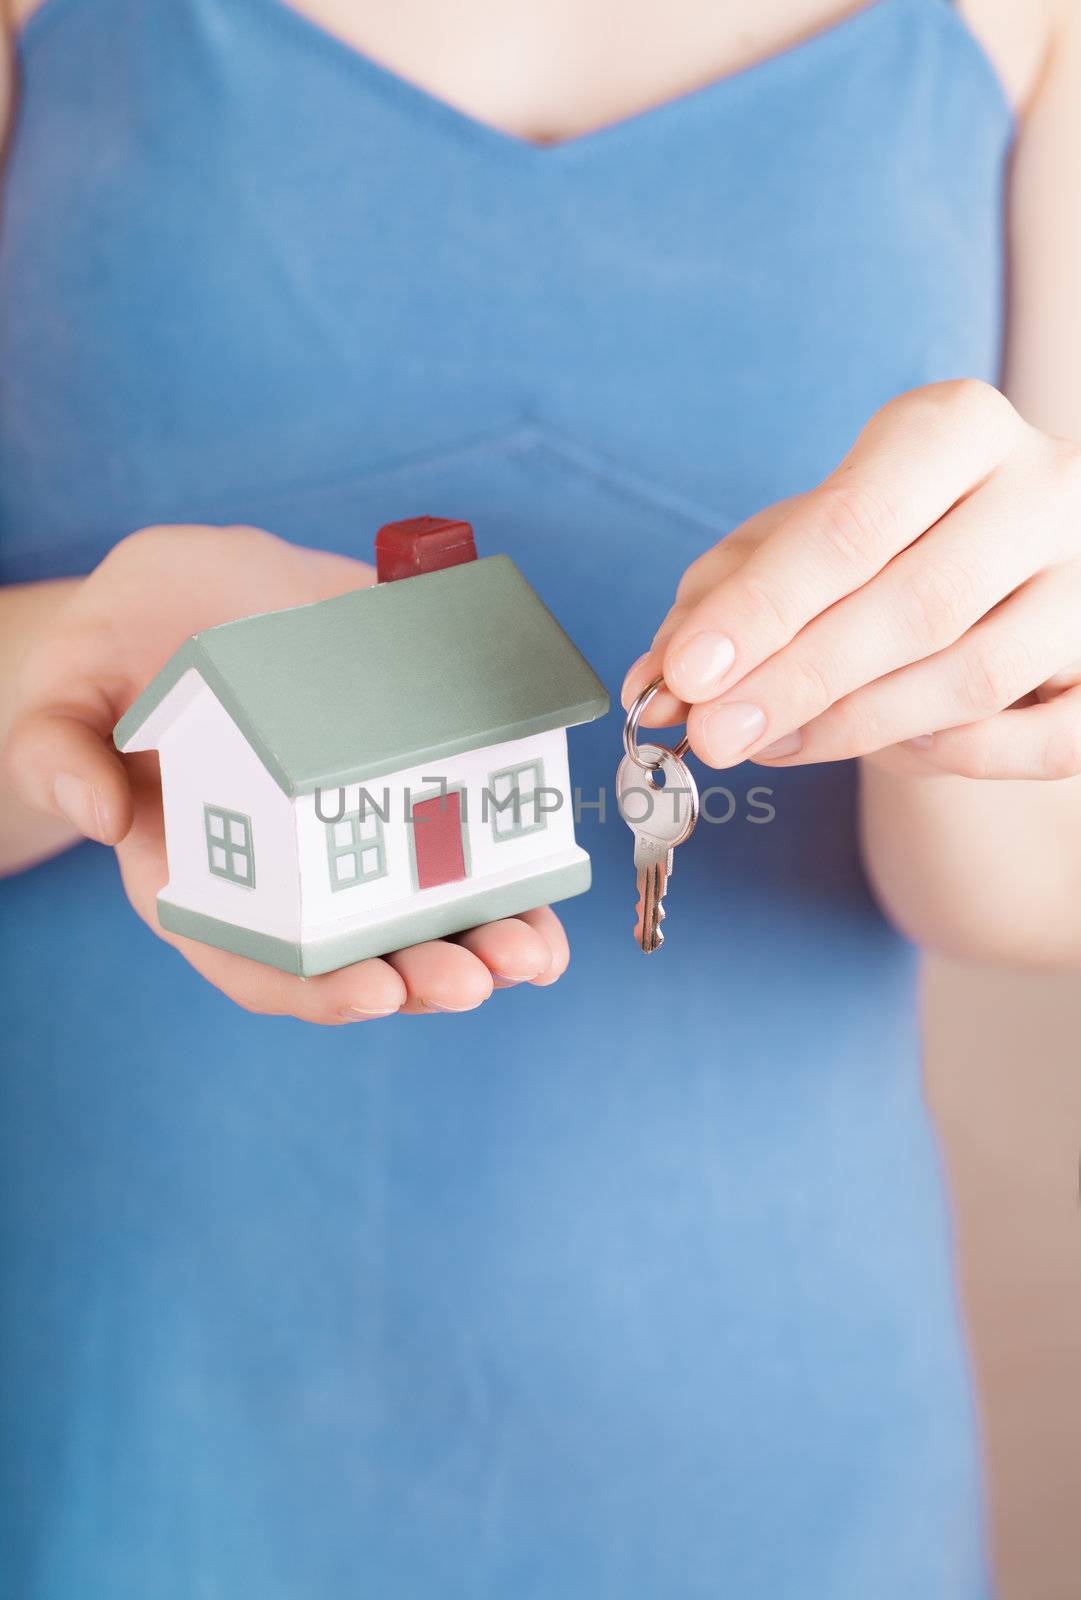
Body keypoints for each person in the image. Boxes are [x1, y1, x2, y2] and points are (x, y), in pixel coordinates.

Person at [1, 0, 1078, 1592]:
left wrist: (998, 673)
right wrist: (59, 675)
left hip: (760, 1426)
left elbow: (1016, 885)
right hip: (111, 1369)